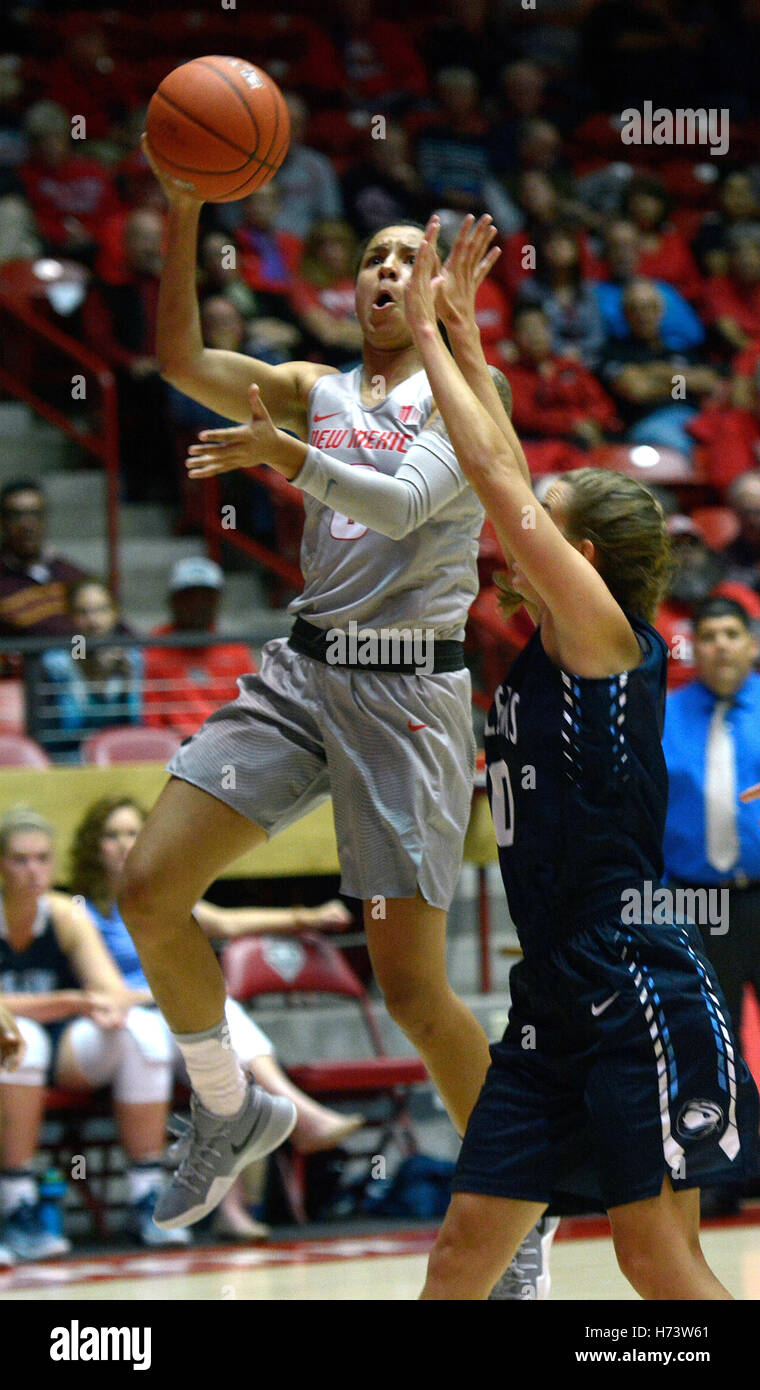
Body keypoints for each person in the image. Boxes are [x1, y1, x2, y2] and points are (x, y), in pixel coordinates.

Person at [121, 141, 548, 1298]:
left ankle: (519, 1200)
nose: (386, 272)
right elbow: (174, 356)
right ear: (346, 284)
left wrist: (281, 457)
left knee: (409, 985)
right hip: (305, 672)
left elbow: (407, 506)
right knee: (149, 889)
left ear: (441, 292)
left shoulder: (475, 396)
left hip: (409, 694)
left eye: (411, 260)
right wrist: (179, 211)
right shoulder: (313, 387)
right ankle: (231, 1105)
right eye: (371, 257)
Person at [400, 214, 758, 1299]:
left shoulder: (605, 638)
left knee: (655, 1261)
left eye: (545, 528)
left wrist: (424, 332)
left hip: (633, 976)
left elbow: (494, 477)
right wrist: (466, 336)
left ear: (582, 560)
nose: (513, 534)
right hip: (552, 988)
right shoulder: (562, 641)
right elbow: (507, 466)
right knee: (471, 1245)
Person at [69, 796, 362, 1240]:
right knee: (202, 1020)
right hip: (121, 1026)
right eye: (112, 836)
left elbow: (226, 922)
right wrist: (169, 992)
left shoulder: (158, 897)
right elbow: (108, 991)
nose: (124, 845)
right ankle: (300, 1114)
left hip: (167, 1021)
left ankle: (237, 1202)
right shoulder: (78, 909)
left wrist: (306, 916)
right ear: (93, 846)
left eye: (133, 833)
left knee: (224, 1061)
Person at [0, 808, 192, 1258]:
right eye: (20, 860)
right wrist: (69, 1001)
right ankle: (17, 1204)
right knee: (19, 1037)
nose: (33, 870)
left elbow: (110, 991)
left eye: (42, 859)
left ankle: (147, 1198)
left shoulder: (66, 914)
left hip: (63, 1050)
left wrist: (105, 1008)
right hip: (15, 1049)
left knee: (140, 1032)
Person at [143, 558, 256, 740]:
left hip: (227, 746)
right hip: (173, 752)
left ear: (218, 601)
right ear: (173, 601)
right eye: (189, 596)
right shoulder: (154, 648)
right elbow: (151, 716)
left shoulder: (235, 649)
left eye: (206, 596)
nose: (198, 604)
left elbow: (250, 709)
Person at [39, 578, 143, 760]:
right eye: (83, 612)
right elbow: (60, 733)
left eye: (101, 610)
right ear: (70, 617)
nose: (93, 621)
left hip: (123, 760)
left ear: (114, 613)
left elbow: (137, 726)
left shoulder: (132, 659)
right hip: (69, 762)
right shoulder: (57, 663)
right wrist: (92, 675)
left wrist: (125, 688)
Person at [0, 478, 87, 643]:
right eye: (18, 515)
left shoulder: (73, 576)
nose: (28, 524)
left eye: (36, 514)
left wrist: (78, 659)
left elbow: (115, 631)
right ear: (3, 522)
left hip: (77, 660)